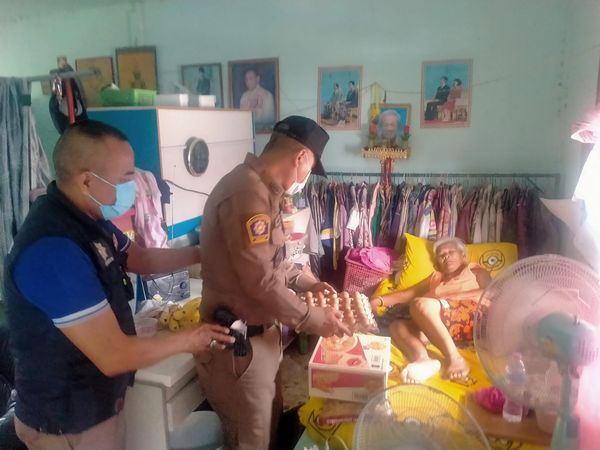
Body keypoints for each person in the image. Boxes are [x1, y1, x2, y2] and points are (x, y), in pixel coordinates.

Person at [3, 120, 235, 450]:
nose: (135, 187)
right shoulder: (53, 249)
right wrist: (191, 338)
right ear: (86, 180)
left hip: (97, 404)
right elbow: (114, 355)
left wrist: (204, 253)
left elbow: (142, 258)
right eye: (126, 178)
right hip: (67, 422)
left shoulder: (89, 219)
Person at [196, 115, 351, 450]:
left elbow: (274, 263)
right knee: (252, 439)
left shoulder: (265, 192)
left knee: (270, 428)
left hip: (262, 341)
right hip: (240, 349)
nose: (306, 177)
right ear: (301, 157)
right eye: (310, 167)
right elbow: (261, 282)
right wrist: (313, 318)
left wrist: (308, 283)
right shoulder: (247, 193)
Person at [370, 237, 491, 384]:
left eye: (451, 252)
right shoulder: (436, 277)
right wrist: (378, 300)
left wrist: (449, 297)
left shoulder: (475, 271)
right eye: (442, 255)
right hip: (440, 323)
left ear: (463, 255)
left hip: (471, 318)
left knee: (420, 304)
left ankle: (455, 359)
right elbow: (408, 294)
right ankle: (423, 360)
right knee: (398, 326)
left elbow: (492, 292)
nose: (446, 257)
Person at [239, 67, 275, 131]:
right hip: (246, 131)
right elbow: (241, 117)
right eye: (246, 79)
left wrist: (255, 109)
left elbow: (269, 119)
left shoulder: (267, 95)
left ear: (258, 79)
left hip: (263, 132)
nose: (248, 82)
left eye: (250, 78)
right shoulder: (244, 96)